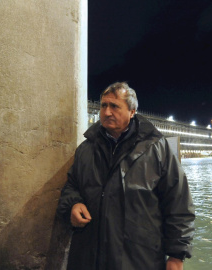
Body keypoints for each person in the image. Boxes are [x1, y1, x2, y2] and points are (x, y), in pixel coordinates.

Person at [57, 82, 195, 270]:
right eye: (103, 106)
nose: (106, 112)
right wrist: (73, 203)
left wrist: (177, 255)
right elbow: (71, 185)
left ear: (132, 111)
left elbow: (178, 203)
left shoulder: (156, 149)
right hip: (90, 257)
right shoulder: (86, 149)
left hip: (138, 258)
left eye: (114, 106)